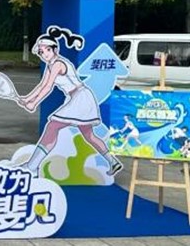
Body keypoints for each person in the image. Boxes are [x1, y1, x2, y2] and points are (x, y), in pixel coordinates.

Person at [17, 26, 123, 177]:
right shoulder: (51, 66)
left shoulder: (58, 64)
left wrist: (33, 103)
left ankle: (32, 166)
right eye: (40, 52)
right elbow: (42, 85)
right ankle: (112, 161)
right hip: (81, 97)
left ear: (54, 49)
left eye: (46, 50)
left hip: (80, 97)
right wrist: (27, 99)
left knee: (53, 126)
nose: (43, 54)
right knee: (88, 135)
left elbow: (48, 87)